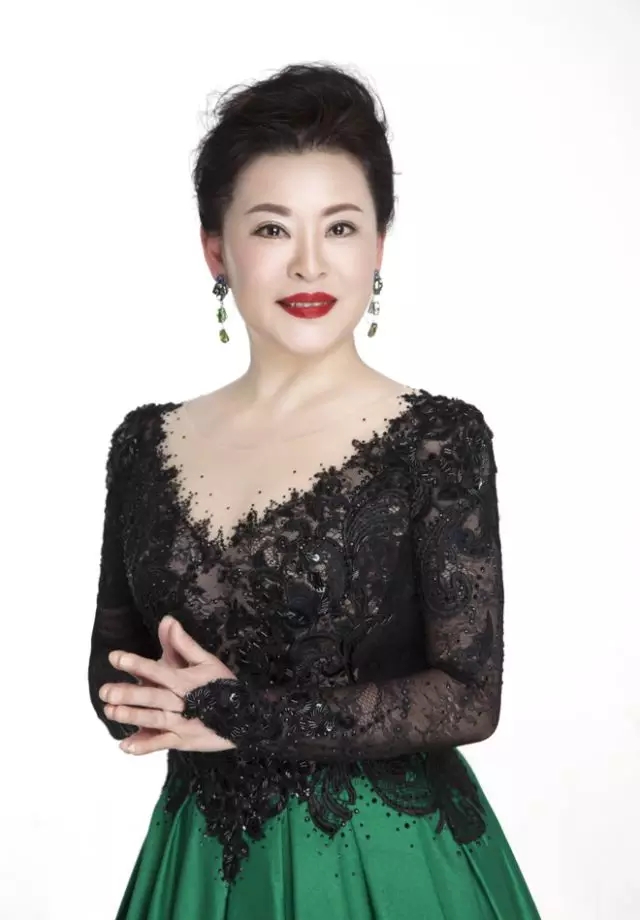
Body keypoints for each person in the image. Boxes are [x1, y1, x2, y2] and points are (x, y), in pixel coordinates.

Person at [88, 62, 541, 919]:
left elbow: (469, 696)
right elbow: (113, 666)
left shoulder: (437, 441)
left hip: (391, 866)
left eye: (340, 227)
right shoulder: (144, 443)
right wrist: (153, 705)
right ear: (216, 251)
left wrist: (240, 712)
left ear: (378, 248)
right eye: (271, 228)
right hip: (203, 866)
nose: (308, 264)